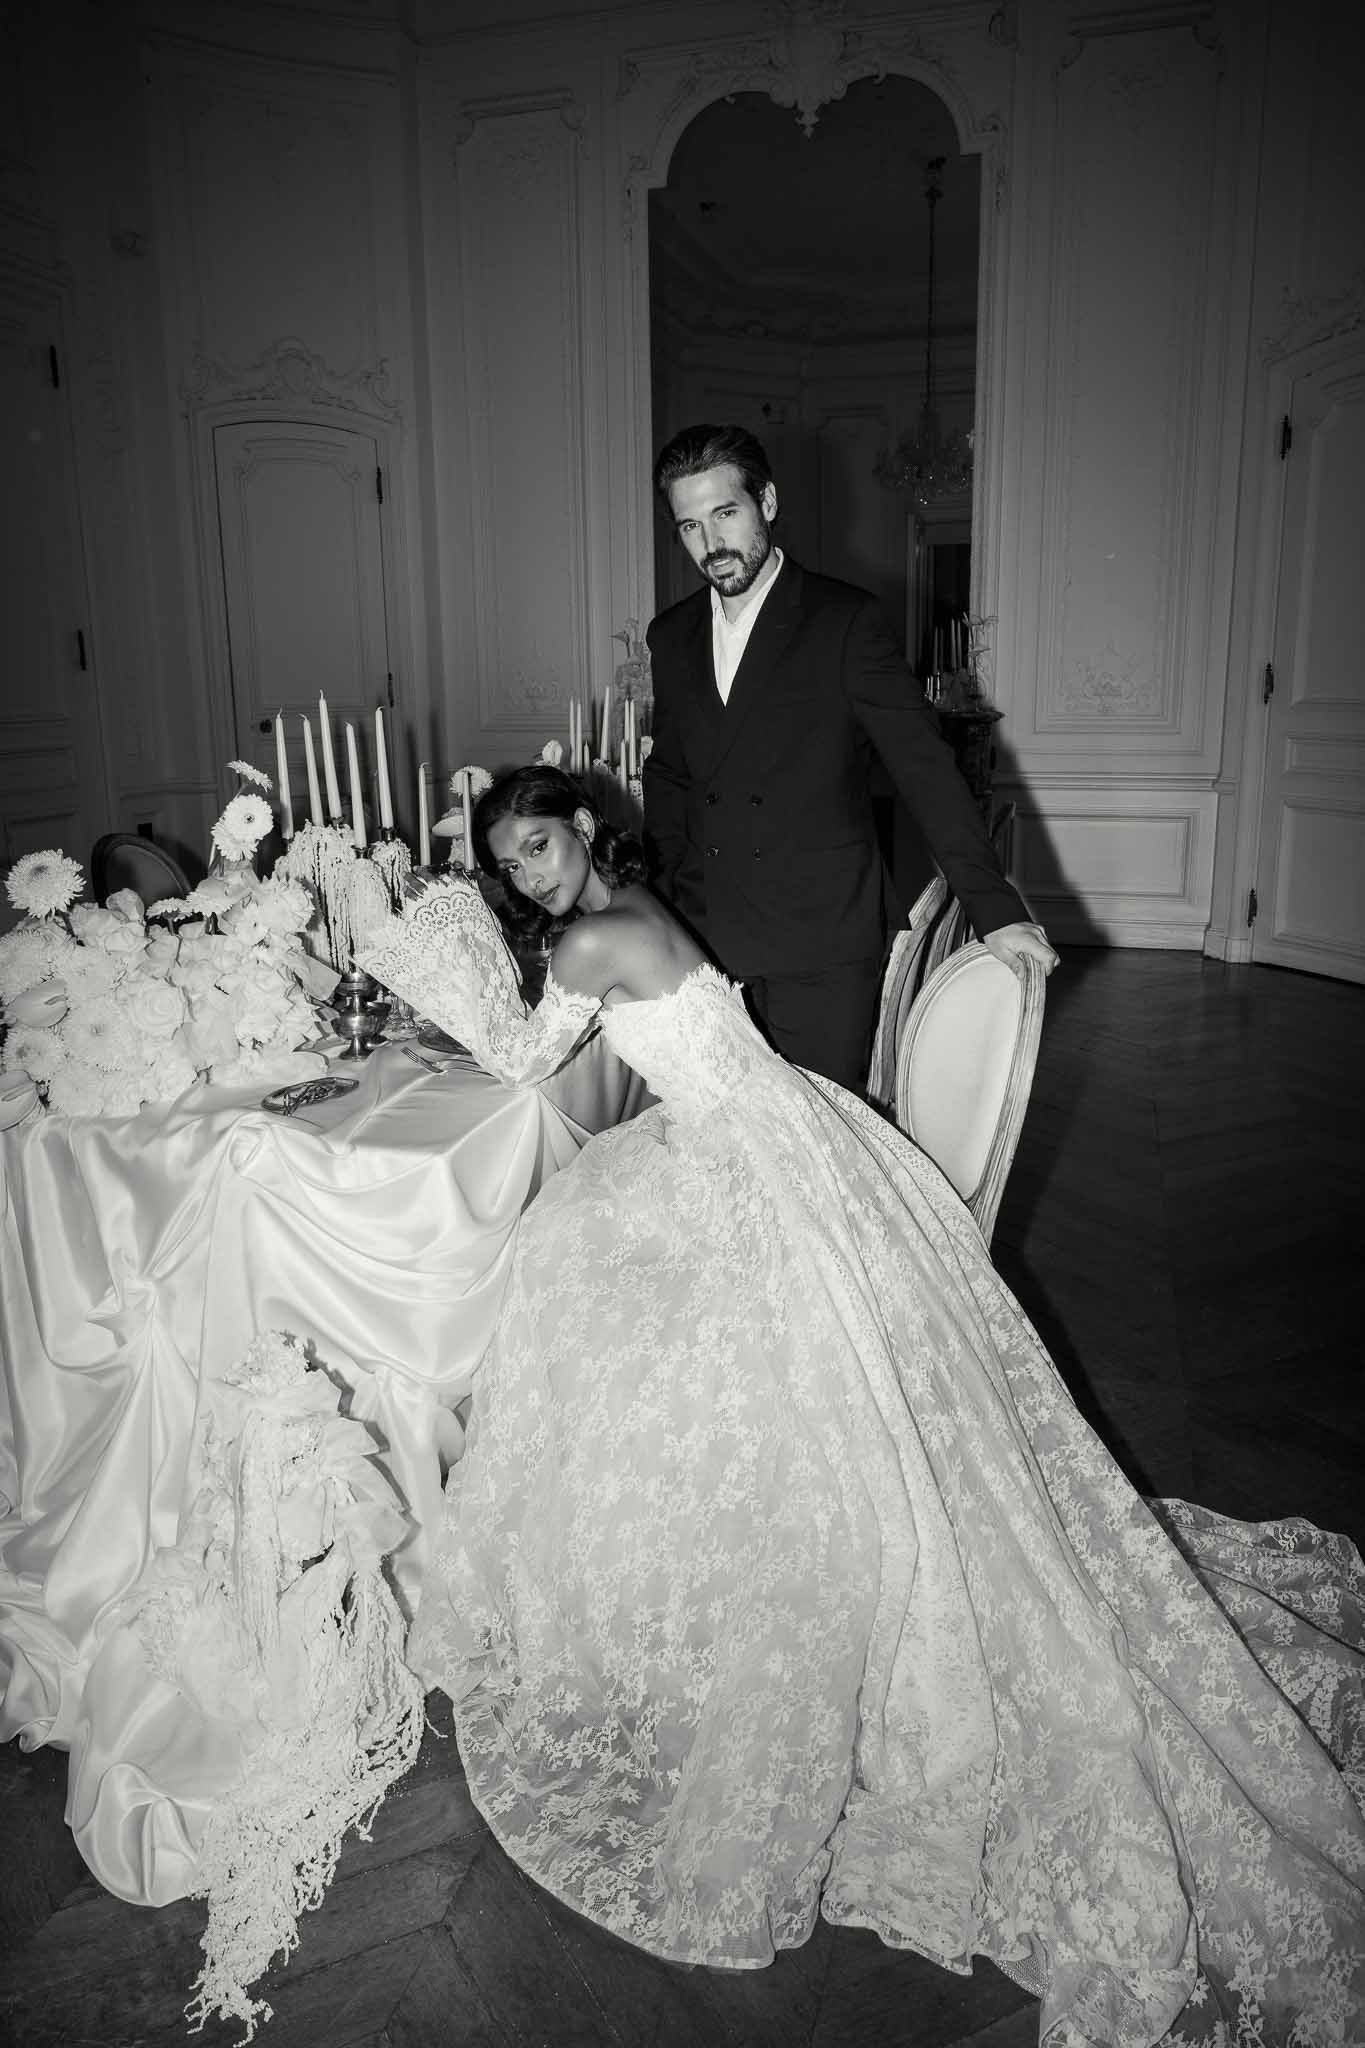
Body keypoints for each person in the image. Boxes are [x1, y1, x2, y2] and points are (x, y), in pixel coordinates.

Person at [360, 765, 1364, 2047]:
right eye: (509, 864)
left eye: (540, 847)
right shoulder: (642, 908)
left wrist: (426, 942)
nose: (529, 876)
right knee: (631, 1290)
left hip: (736, 1157)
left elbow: (519, 1060)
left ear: (588, 833)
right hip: (790, 1127)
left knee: (569, 1279)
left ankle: (695, 1583)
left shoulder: (594, 937)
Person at [642, 422, 1058, 1088]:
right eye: (689, 526)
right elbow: (668, 771)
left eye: (725, 513)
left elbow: (924, 770)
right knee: (727, 1133)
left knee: (821, 1139)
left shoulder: (844, 621)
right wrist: (654, 896)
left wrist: (994, 906)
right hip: (704, 933)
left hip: (820, 940)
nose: (711, 544)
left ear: (767, 504)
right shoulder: (670, 635)